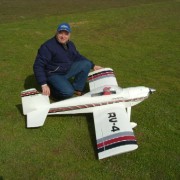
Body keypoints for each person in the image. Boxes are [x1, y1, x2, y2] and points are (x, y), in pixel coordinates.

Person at [33, 22, 102, 100]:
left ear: (69, 35)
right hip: (53, 74)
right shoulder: (47, 46)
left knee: (86, 64)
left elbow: (77, 56)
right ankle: (52, 92)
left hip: (65, 70)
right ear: (56, 33)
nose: (63, 36)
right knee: (68, 92)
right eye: (60, 33)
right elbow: (38, 65)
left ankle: (77, 89)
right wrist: (43, 84)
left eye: (66, 34)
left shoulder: (70, 44)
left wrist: (93, 65)